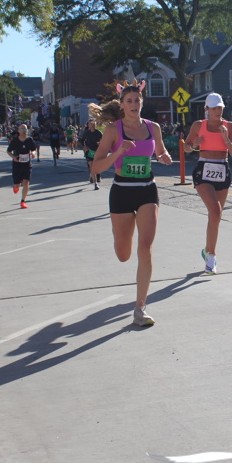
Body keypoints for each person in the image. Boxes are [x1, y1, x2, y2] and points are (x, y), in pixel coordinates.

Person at [89, 85, 172, 326]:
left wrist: (164, 157)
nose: (134, 104)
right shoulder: (113, 130)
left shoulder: (153, 128)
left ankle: (140, 308)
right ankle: (119, 235)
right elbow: (96, 167)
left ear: (142, 102)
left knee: (145, 247)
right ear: (122, 104)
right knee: (123, 254)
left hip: (147, 189)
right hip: (122, 191)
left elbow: (160, 151)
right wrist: (118, 153)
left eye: (137, 100)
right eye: (129, 100)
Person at [183, 93, 232, 274]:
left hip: (223, 169)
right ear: (207, 109)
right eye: (214, 108)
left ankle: (207, 250)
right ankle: (212, 258)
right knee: (215, 211)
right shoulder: (199, 125)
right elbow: (186, 146)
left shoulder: (229, 126)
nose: (218, 111)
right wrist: (194, 144)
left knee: (216, 216)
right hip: (204, 170)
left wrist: (226, 139)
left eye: (220, 107)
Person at [7, 123, 37, 208]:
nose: (24, 131)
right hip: (17, 164)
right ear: (19, 131)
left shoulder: (29, 140)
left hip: (27, 164)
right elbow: (9, 151)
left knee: (26, 182)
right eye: (22, 129)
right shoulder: (15, 141)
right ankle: (16, 186)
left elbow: (33, 149)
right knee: (17, 185)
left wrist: (33, 153)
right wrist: (14, 157)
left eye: (25, 129)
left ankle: (23, 201)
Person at [81, 119, 103, 189]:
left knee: (96, 166)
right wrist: (84, 147)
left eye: (94, 124)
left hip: (97, 151)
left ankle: (92, 176)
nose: (93, 125)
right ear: (88, 125)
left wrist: (101, 144)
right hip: (89, 151)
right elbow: (82, 140)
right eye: (91, 124)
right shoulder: (86, 133)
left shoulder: (98, 132)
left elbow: (104, 140)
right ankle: (95, 184)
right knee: (92, 166)